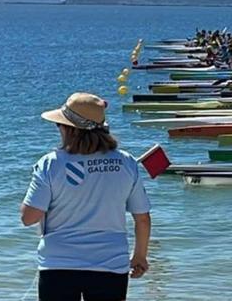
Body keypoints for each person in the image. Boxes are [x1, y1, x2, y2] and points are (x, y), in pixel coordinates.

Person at [21, 93, 151, 301]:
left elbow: (29, 218)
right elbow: (142, 218)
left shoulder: (50, 164)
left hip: (58, 265)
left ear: (68, 129)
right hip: (110, 265)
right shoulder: (126, 163)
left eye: (59, 125)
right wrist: (139, 256)